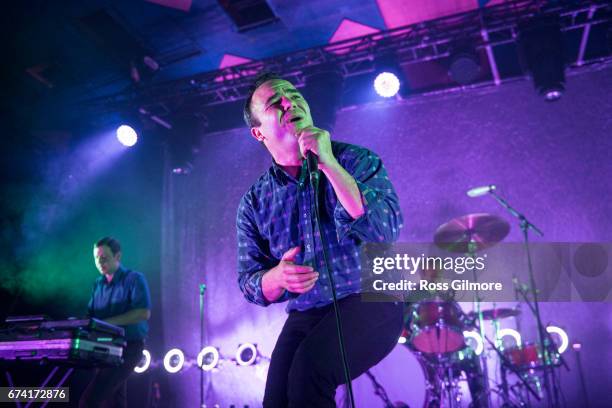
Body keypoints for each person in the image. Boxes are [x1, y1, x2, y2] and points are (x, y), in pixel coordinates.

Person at [236, 73, 404, 407]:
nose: (290, 102)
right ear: (258, 132)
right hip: (307, 312)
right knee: (277, 401)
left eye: (294, 94)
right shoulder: (254, 202)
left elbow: (384, 230)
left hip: (372, 299)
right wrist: (276, 277)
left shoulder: (357, 161)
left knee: (308, 374)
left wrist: (327, 162)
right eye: (275, 102)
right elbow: (249, 281)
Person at [79, 237, 152, 408]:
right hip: (106, 349)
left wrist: (107, 323)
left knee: (89, 402)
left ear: (118, 256)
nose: (99, 262)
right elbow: (90, 316)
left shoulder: (134, 279)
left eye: (104, 258)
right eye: (96, 258)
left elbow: (143, 312)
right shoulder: (98, 284)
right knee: (114, 402)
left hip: (129, 349)